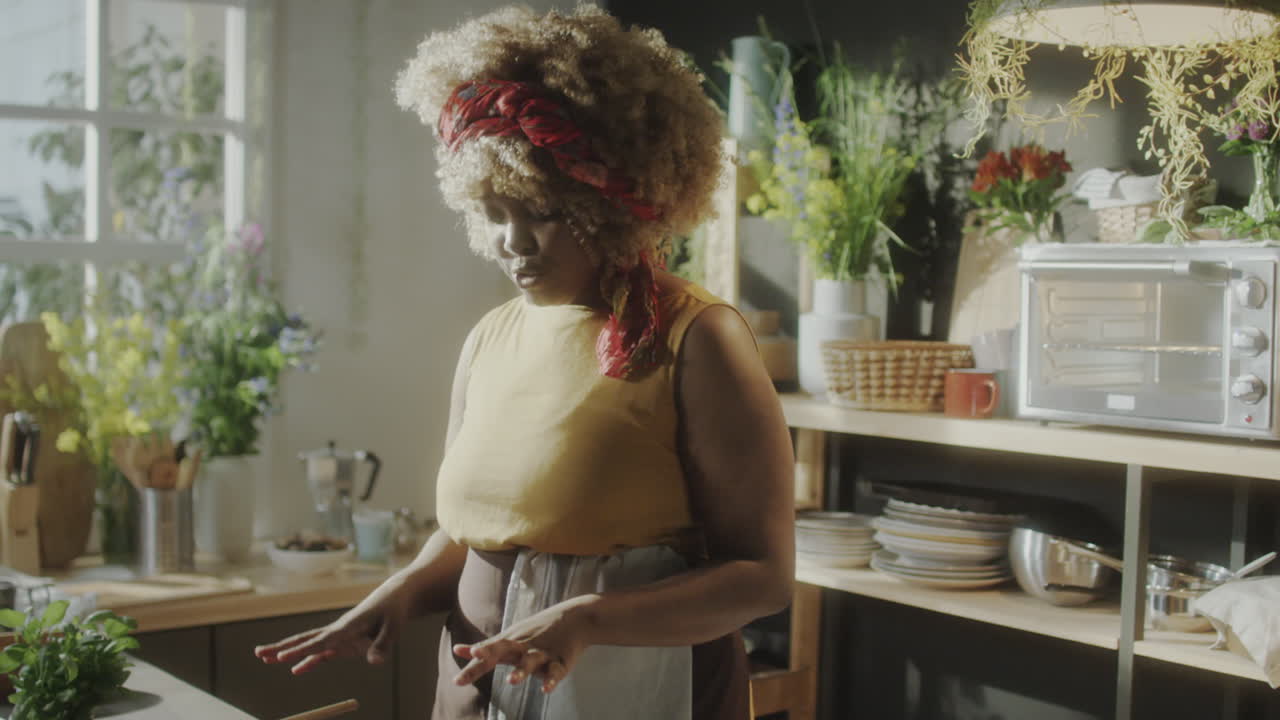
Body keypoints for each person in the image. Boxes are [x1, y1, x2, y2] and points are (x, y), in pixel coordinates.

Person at [254, 6, 795, 719]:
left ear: (610, 198)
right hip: (477, 692)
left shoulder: (698, 338)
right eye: (492, 212)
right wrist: (405, 590)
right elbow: (475, 527)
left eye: (539, 211)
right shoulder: (489, 338)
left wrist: (588, 617)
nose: (513, 243)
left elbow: (761, 578)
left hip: (639, 693)